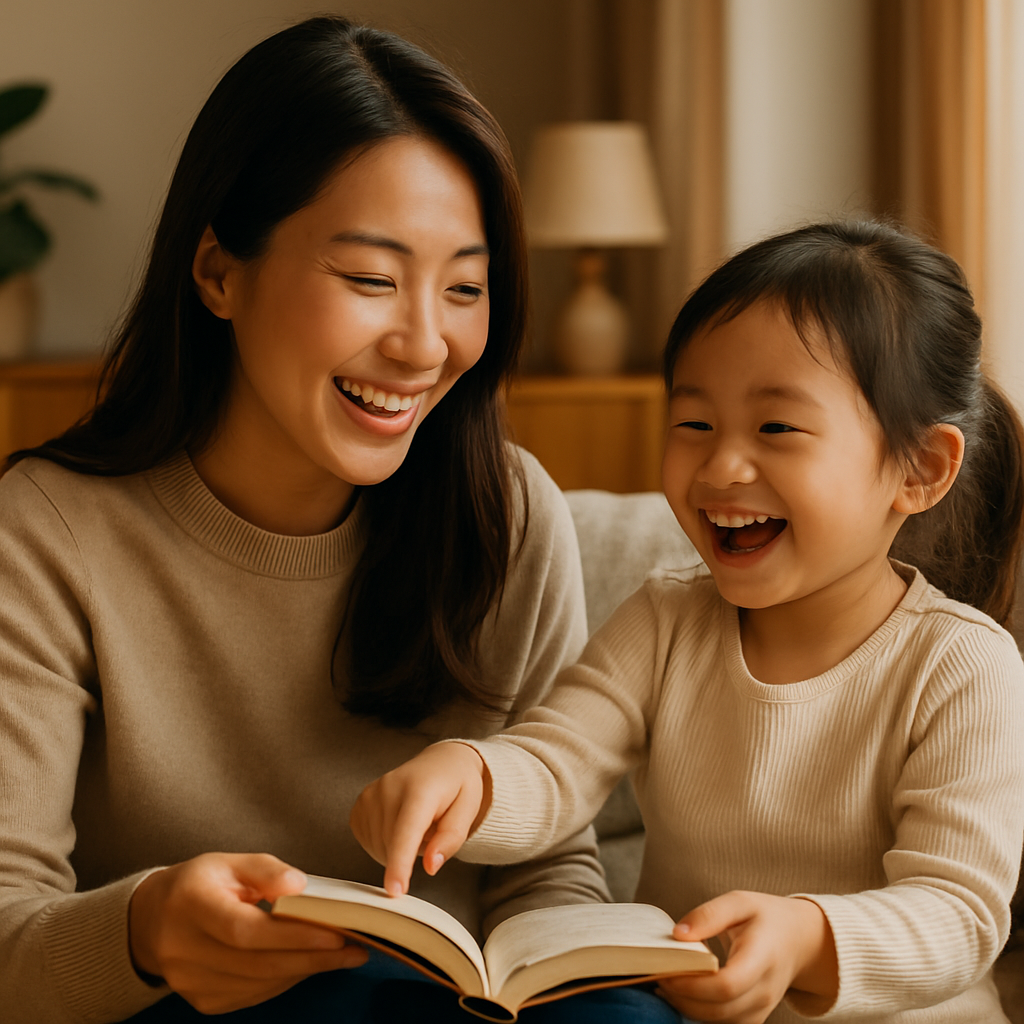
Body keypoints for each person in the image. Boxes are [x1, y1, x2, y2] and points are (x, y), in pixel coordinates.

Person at [0, 15, 676, 1023]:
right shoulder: (48, 531)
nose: (422, 343)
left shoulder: (507, 510)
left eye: (464, 288)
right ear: (219, 272)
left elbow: (546, 875)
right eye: (369, 279)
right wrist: (144, 929)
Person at [352, 220, 1024, 1023]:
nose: (720, 467)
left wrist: (808, 936)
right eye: (694, 423)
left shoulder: (961, 666)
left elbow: (958, 912)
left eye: (777, 429)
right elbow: (557, 760)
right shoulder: (667, 617)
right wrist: (471, 778)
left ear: (919, 470)